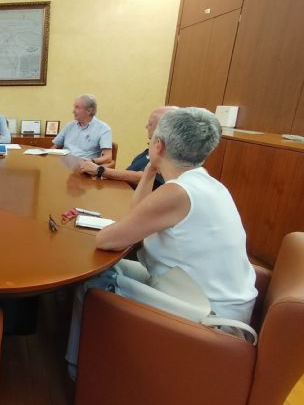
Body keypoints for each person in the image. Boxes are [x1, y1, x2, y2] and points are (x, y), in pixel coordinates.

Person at [65, 107, 258, 379]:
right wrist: (150, 169)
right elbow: (136, 214)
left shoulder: (177, 193)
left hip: (211, 319)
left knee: (92, 282)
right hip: (199, 294)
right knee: (106, 269)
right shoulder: (205, 183)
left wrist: (151, 164)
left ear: (159, 144)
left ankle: (78, 372)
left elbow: (107, 239)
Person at [79, 106, 177, 189]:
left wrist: (100, 170)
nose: (146, 126)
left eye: (150, 123)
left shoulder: (169, 156)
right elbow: (128, 173)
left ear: (162, 128)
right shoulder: (148, 151)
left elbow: (144, 177)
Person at [52, 95, 112, 162]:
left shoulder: (103, 129)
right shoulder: (69, 126)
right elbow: (55, 146)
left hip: (84, 167)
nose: (73, 111)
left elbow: (108, 157)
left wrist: (91, 162)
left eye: (77, 107)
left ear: (89, 111)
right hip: (64, 164)